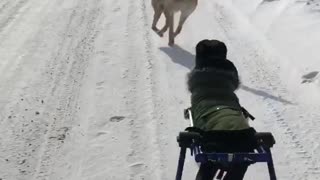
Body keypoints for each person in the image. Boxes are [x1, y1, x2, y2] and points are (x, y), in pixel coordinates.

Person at [187, 39, 256, 180]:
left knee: (210, 158)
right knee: (242, 155)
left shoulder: (196, 80)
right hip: (240, 128)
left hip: (211, 127)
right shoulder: (231, 75)